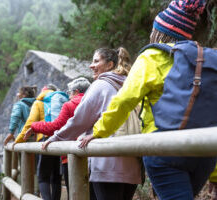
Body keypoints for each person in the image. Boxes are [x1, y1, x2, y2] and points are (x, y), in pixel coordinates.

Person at [91, 0, 216, 199]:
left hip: (163, 148)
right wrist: (215, 174)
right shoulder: (202, 59)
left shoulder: (152, 56)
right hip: (203, 152)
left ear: (160, 32)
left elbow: (124, 100)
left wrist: (98, 132)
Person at [43, 47, 142, 200]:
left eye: (96, 61)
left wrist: (56, 138)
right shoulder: (130, 85)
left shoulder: (100, 85)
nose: (91, 65)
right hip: (133, 162)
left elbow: (79, 120)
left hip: (107, 164)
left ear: (109, 65)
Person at [24, 77, 91, 199]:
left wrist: (34, 126)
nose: (69, 96)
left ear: (76, 91)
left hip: (70, 155)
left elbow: (56, 126)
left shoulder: (69, 105)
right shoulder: (94, 102)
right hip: (94, 155)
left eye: (70, 93)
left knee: (73, 192)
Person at [14, 84, 63, 200]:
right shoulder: (60, 101)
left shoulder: (39, 102)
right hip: (59, 139)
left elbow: (30, 123)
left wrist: (19, 139)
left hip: (45, 139)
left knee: (43, 176)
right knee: (56, 175)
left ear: (43, 91)